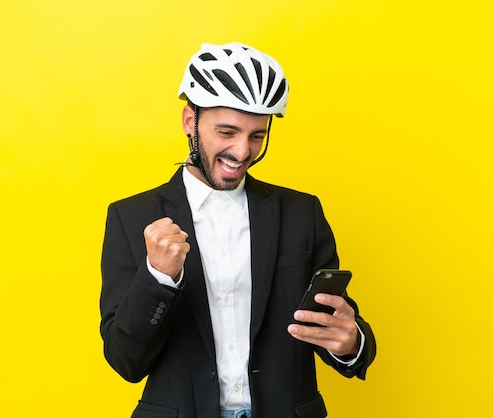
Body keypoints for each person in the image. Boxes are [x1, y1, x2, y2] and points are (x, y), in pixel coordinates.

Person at [100, 42, 377, 418]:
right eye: (227, 132)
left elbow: (340, 329)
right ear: (189, 122)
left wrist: (350, 343)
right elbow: (125, 360)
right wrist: (158, 277)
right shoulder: (130, 217)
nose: (243, 151)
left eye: (257, 136)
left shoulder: (301, 213)